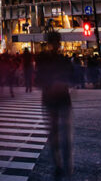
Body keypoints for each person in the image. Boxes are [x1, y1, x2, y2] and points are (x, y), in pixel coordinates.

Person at [36, 36, 74, 179]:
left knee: (56, 133)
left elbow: (38, 79)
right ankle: (64, 165)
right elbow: (72, 78)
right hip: (60, 99)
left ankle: (60, 164)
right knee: (62, 133)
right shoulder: (62, 60)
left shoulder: (44, 60)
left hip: (52, 99)